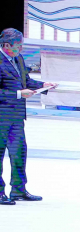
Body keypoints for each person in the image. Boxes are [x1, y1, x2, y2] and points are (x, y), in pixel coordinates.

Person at [0, 28, 56, 205]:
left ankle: (19, 189)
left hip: (16, 117)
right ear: (7, 45)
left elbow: (26, 82)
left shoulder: (18, 59)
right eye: (18, 45)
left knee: (19, 153)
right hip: (2, 116)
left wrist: (43, 85)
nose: (21, 48)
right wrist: (18, 94)